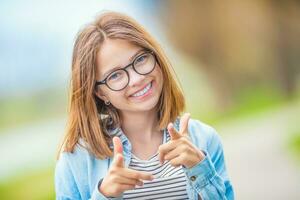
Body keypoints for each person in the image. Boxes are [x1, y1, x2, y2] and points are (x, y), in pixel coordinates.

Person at [55, 11, 234, 200]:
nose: (137, 79)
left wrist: (199, 168)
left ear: (156, 58)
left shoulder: (204, 139)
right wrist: (104, 195)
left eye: (140, 59)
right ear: (100, 92)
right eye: (115, 75)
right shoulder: (76, 160)